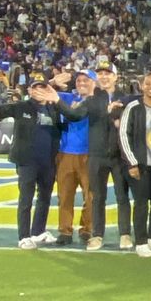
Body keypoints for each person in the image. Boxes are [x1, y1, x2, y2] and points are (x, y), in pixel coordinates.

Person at [0, 69, 85, 248]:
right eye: (35, 87)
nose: (38, 91)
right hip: (27, 161)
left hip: (48, 161)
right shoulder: (21, 106)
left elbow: (67, 121)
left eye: (42, 87)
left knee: (44, 198)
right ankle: (24, 236)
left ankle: (38, 232)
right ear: (29, 90)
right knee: (26, 199)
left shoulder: (53, 106)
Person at [118, 72, 151, 257]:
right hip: (140, 164)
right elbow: (124, 135)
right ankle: (140, 241)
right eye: (148, 83)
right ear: (142, 85)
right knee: (141, 203)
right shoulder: (133, 106)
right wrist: (132, 162)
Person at [84, 61, 132, 251]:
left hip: (119, 155)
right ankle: (97, 235)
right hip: (96, 154)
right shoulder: (92, 98)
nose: (104, 77)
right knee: (98, 198)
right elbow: (74, 114)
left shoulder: (125, 98)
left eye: (107, 73)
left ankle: (125, 234)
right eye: (100, 74)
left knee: (122, 196)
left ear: (115, 77)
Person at [55, 69, 95, 246]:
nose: (81, 83)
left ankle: (88, 229)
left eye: (86, 80)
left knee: (91, 196)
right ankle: (65, 230)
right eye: (78, 81)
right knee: (64, 195)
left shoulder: (98, 101)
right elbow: (42, 93)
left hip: (89, 153)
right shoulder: (69, 98)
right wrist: (53, 82)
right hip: (66, 153)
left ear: (94, 82)